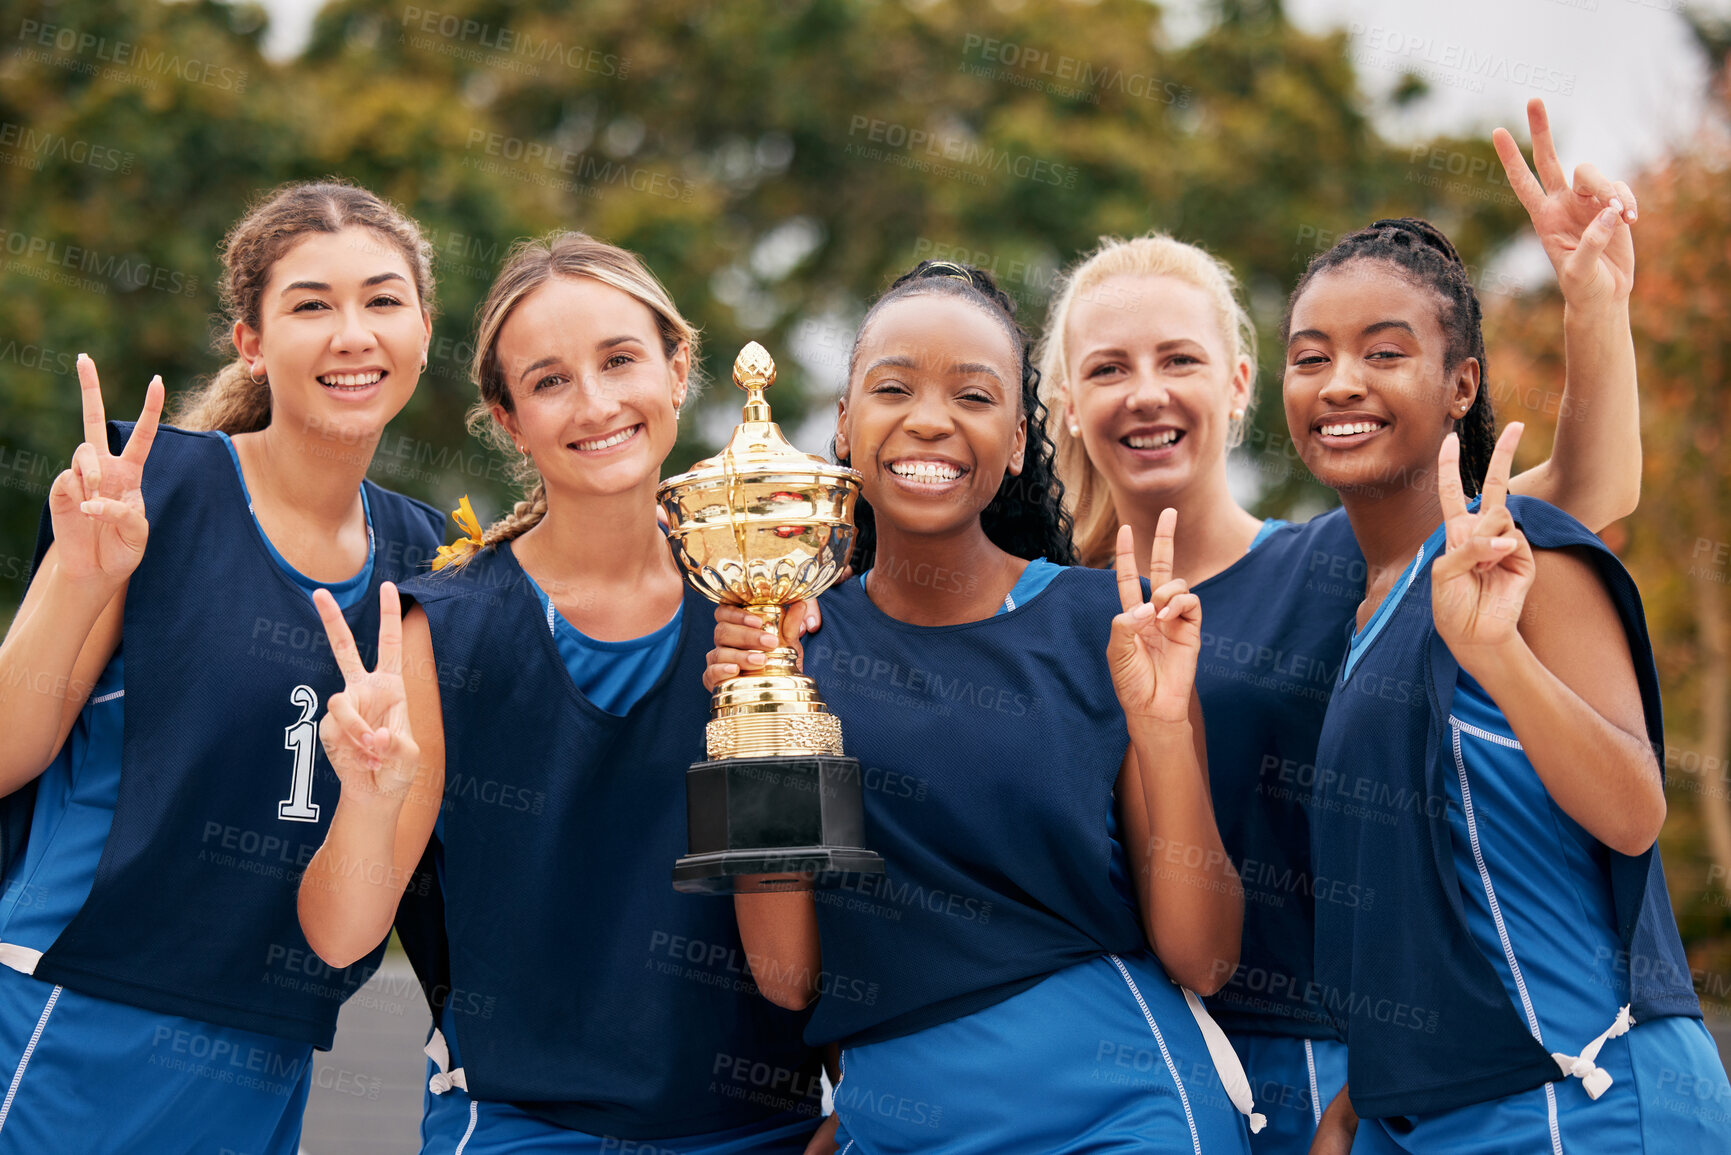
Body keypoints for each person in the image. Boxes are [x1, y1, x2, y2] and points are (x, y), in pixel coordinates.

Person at [1034, 99, 1645, 1151]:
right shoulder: (1044, 616)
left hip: (1330, 1065)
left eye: (1178, 359)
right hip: (1131, 1077)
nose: (1146, 394)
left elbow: (1581, 496)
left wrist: (1594, 302)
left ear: (1235, 385)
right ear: (1063, 402)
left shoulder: (1339, 559)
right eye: (1106, 369)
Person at [709, 261, 1259, 1154]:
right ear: (844, 424)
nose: (930, 417)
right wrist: (754, 724)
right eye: (893, 387)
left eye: (973, 394)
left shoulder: (1109, 627)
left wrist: (1160, 727)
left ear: (1014, 442)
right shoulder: (792, 647)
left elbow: (1205, 956)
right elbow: (785, 974)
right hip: (899, 1129)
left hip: (1126, 1118)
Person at [298, 231, 826, 1155]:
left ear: (677, 368)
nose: (595, 403)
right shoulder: (443, 630)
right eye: (548, 380)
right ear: (509, 420)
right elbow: (342, 939)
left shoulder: (771, 605)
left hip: (761, 1128)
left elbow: (796, 967)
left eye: (620, 360)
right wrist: (368, 804)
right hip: (521, 1126)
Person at [0, 181, 444, 1152]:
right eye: (310, 304)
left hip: (266, 1043)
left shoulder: (433, 563)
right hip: (68, 1009)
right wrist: (78, 580)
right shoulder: (150, 489)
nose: (352, 333)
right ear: (250, 341)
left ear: (422, 328)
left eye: (381, 300)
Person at [1282, 216, 1730, 1153]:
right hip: (1443, 1112)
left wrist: (1498, 656)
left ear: (1462, 385)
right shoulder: (1365, 608)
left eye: (1384, 352)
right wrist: (1363, 1099)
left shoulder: (1521, 550)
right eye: (1310, 356)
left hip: (1581, 1100)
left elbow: (1633, 809)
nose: (1340, 383)